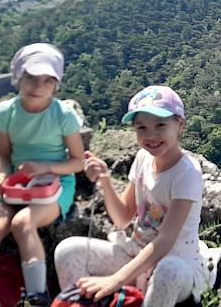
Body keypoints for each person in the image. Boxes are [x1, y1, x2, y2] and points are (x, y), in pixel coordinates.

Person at [54, 85, 210, 307]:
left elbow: (165, 241)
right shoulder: (143, 159)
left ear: (180, 125)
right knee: (67, 251)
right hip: (135, 254)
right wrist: (105, 181)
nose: (151, 135)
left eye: (161, 125)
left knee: (168, 271)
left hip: (176, 262)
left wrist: (115, 280)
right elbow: (122, 218)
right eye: (141, 128)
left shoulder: (186, 172)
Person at [0, 43, 85, 307]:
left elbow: (77, 162)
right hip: (18, 185)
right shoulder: (6, 113)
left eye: (47, 80)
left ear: (56, 85)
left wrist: (47, 168)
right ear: (18, 77)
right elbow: (5, 154)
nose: (38, 86)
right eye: (31, 77)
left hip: (54, 185)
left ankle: (36, 295)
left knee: (22, 223)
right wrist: (3, 177)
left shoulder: (63, 115)